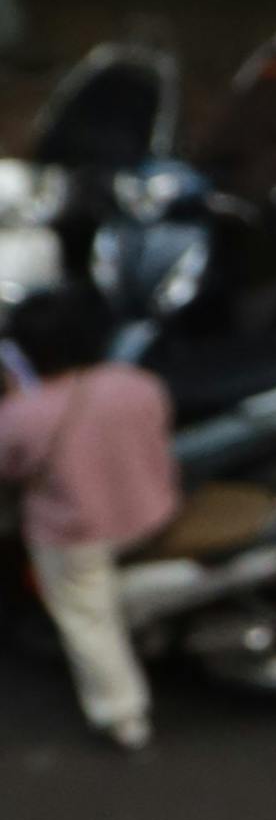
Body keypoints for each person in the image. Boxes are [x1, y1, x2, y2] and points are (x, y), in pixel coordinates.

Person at [0, 274, 177, 753]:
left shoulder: (23, 415)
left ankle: (123, 716)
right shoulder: (138, 384)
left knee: (86, 618)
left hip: (79, 537)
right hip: (152, 511)